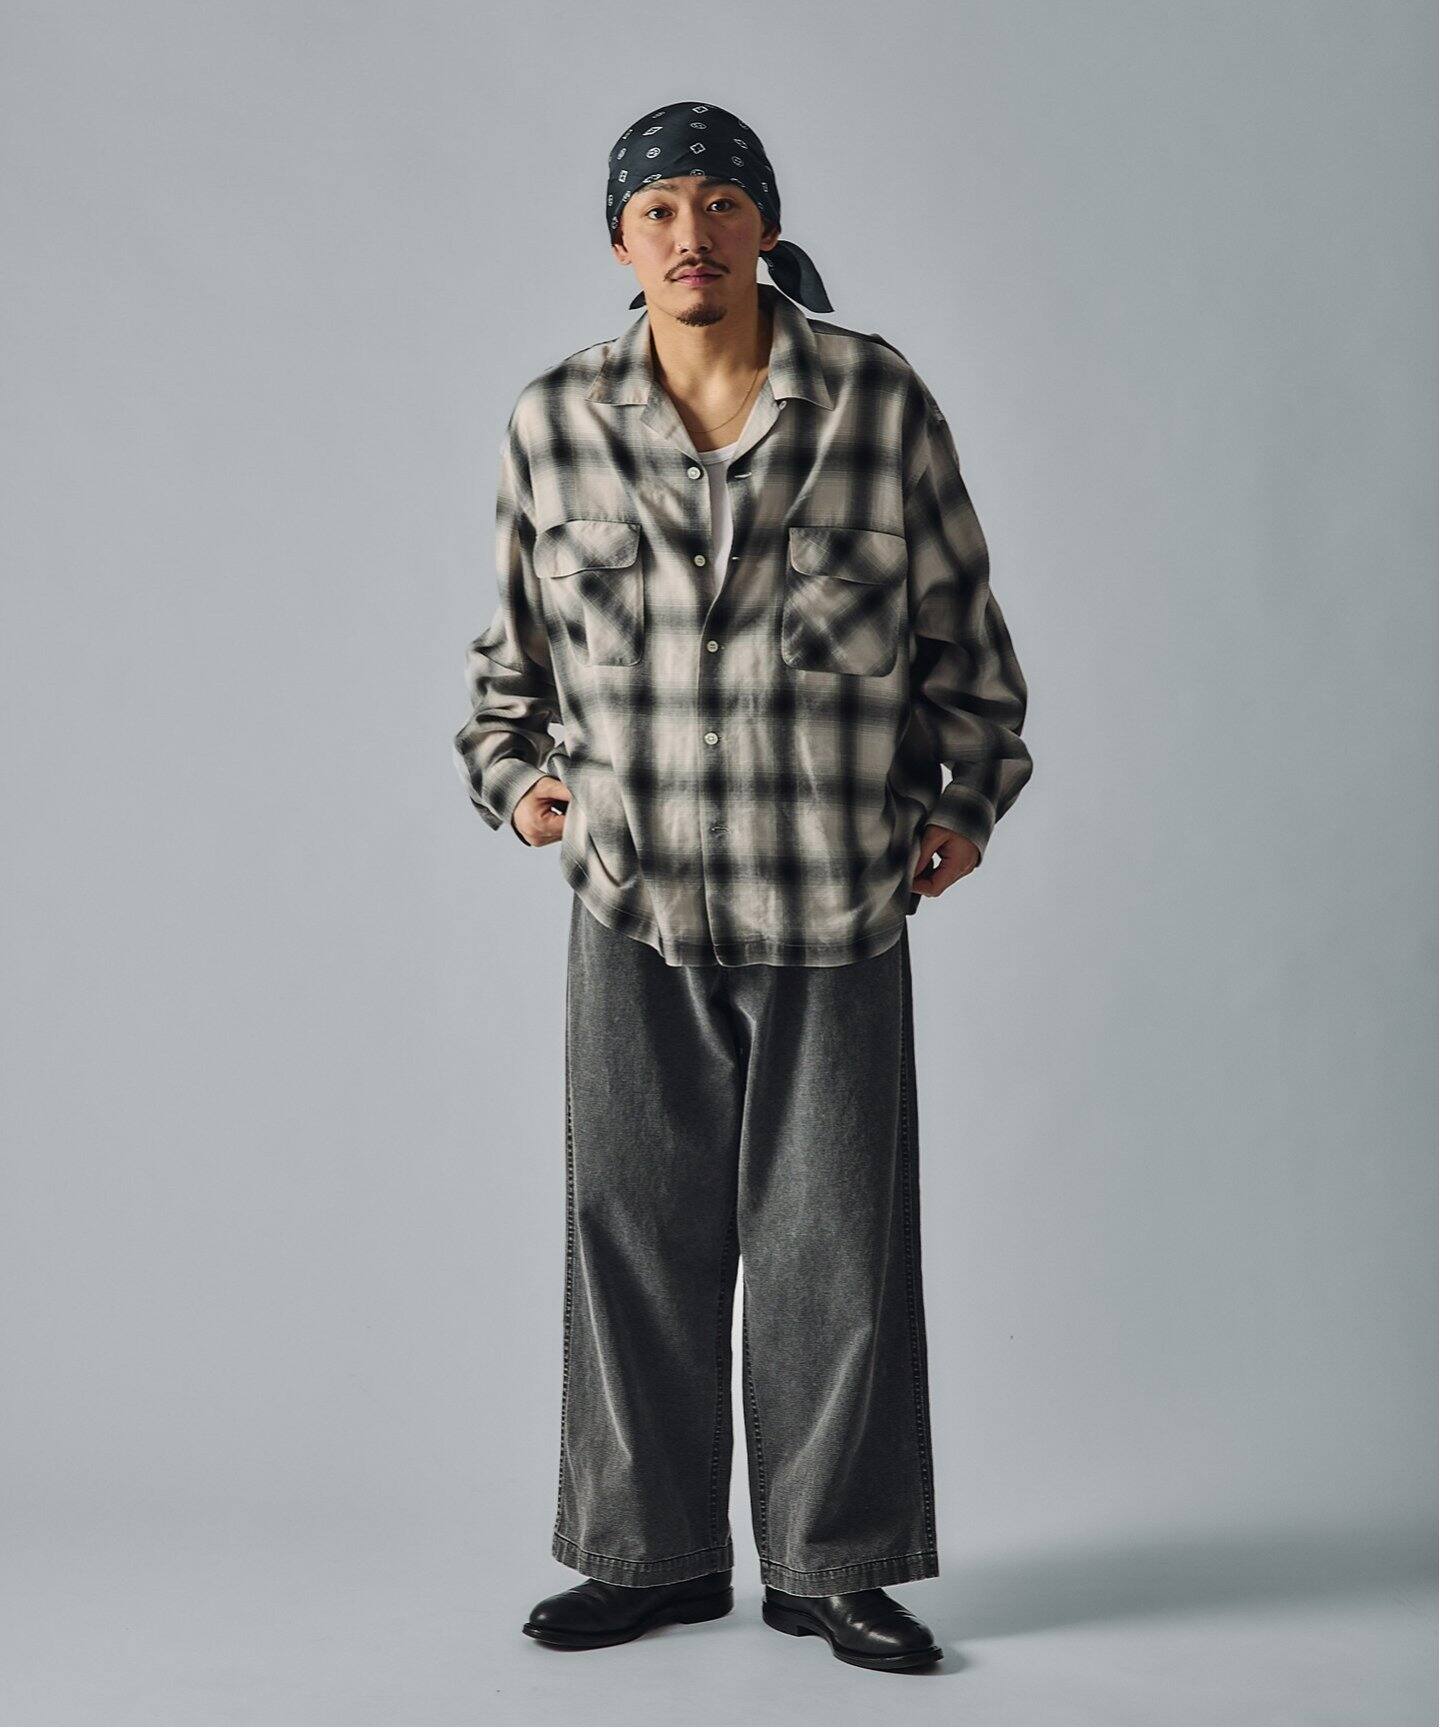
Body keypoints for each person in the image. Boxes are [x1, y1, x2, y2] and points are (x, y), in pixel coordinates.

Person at [453, 99, 1034, 1673]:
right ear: (619, 243)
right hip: (631, 899)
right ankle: (648, 1558)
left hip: (834, 895)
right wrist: (522, 787)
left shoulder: (877, 403)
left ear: (765, 225)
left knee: (835, 1248)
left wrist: (968, 801)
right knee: (630, 1231)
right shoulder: (554, 421)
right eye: (656, 210)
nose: (689, 233)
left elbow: (969, 649)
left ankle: (834, 1565)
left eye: (719, 202)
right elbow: (506, 676)